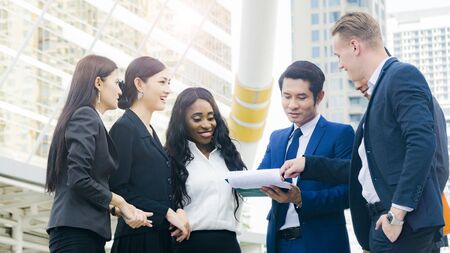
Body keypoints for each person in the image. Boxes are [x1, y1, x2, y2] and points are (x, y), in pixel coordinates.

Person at [281, 12, 444, 253]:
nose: (340, 64)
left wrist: (397, 214)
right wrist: (309, 164)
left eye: (339, 55)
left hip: (401, 226)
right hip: (387, 225)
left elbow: (422, 145)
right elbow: (362, 170)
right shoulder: (383, 90)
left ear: (355, 46)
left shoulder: (401, 76)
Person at [46, 55, 151, 253]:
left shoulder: (85, 117)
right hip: (76, 233)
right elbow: (78, 178)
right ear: (98, 83)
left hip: (82, 232)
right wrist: (119, 200)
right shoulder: (85, 116)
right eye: (116, 82)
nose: (120, 90)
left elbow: (85, 183)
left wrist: (116, 209)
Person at [257, 60, 354, 253]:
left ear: (319, 97)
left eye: (301, 97)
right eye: (286, 97)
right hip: (279, 243)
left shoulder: (340, 134)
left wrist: (301, 198)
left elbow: (349, 194)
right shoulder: (276, 138)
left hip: (322, 242)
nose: (292, 105)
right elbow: (261, 176)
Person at [109, 56, 189, 253]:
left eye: (169, 83)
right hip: (137, 240)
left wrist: (177, 210)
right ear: (139, 84)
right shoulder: (124, 128)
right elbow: (118, 188)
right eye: (162, 82)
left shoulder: (150, 132)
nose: (168, 90)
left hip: (159, 238)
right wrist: (166, 212)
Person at [165, 87, 245, 253]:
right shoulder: (170, 158)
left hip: (228, 244)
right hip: (188, 244)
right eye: (197, 119)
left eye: (211, 117)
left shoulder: (229, 155)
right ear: (182, 123)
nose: (207, 125)